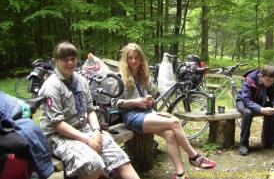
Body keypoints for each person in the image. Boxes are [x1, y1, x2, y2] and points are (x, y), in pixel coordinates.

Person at [113, 43, 216, 179]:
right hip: (132, 116)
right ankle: (194, 156)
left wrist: (150, 100)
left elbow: (152, 97)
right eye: (130, 58)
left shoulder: (145, 76)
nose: (133, 61)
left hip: (148, 113)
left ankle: (180, 174)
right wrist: (135, 102)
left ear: (141, 59)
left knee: (170, 134)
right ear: (126, 60)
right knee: (174, 121)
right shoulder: (120, 77)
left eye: (136, 58)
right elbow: (115, 103)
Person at [39, 41, 140, 179]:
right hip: (58, 136)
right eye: (65, 59)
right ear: (56, 61)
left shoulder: (80, 80)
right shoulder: (52, 86)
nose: (70, 63)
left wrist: (97, 131)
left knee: (120, 159)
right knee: (93, 164)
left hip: (84, 129)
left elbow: (90, 110)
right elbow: (58, 124)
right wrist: (87, 140)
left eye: (72, 59)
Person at [236, 65, 274, 156]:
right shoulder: (249, 79)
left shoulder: (271, 80)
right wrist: (260, 109)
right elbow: (246, 100)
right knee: (247, 113)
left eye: (272, 80)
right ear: (260, 75)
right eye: (267, 80)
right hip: (243, 101)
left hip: (260, 101)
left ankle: (271, 141)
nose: (270, 83)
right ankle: (243, 144)